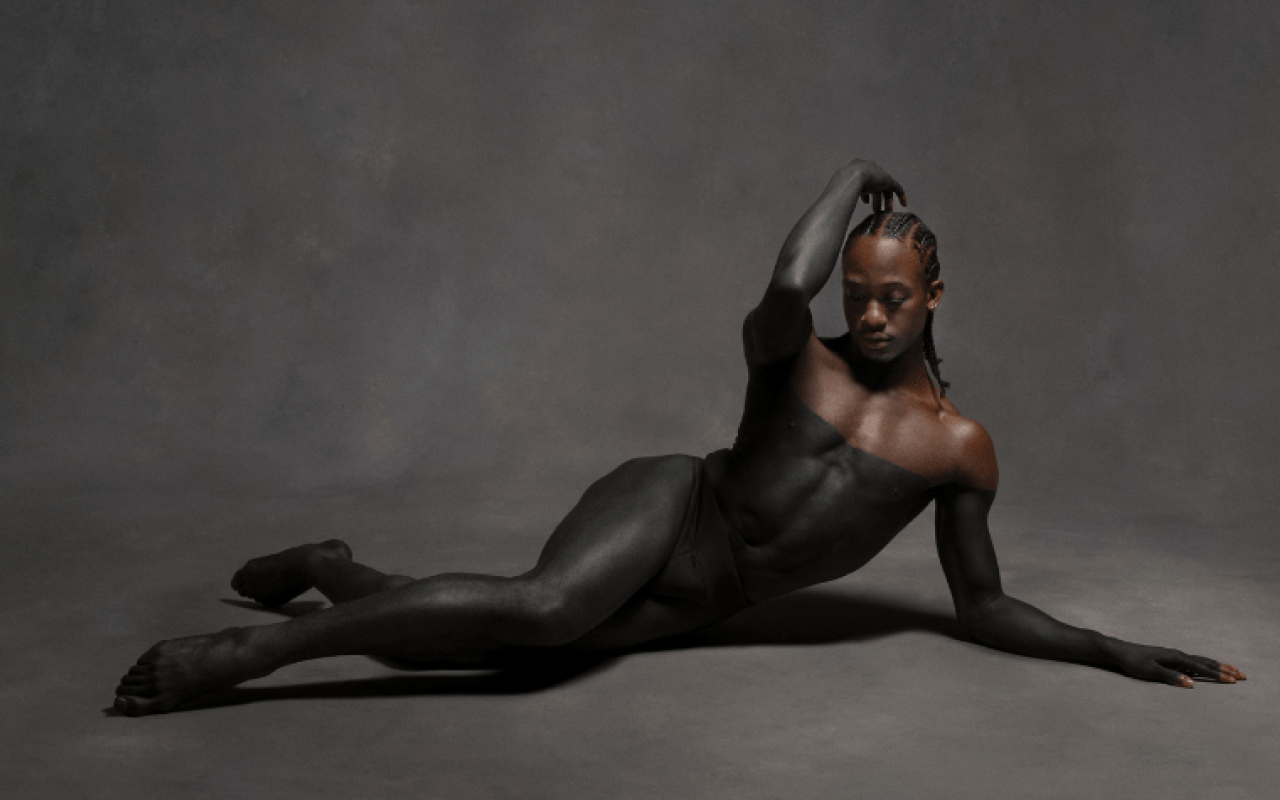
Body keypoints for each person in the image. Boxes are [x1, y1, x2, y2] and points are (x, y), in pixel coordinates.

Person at [113, 158, 1244, 716]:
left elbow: (980, 602)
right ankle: (242, 659)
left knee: (509, 644)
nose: (869, 311)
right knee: (545, 607)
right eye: (859, 290)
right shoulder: (794, 353)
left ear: (936, 295)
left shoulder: (959, 450)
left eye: (894, 296)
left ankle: (331, 568)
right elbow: (779, 281)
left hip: (708, 595)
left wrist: (1112, 647)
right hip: (672, 503)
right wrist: (849, 175)